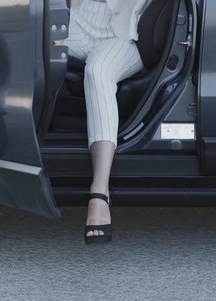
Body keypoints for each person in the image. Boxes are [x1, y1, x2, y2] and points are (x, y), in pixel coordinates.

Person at [64, 0, 151, 244]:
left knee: (98, 71)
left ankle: (99, 192)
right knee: (26, 44)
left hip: (125, 35)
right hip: (78, 23)